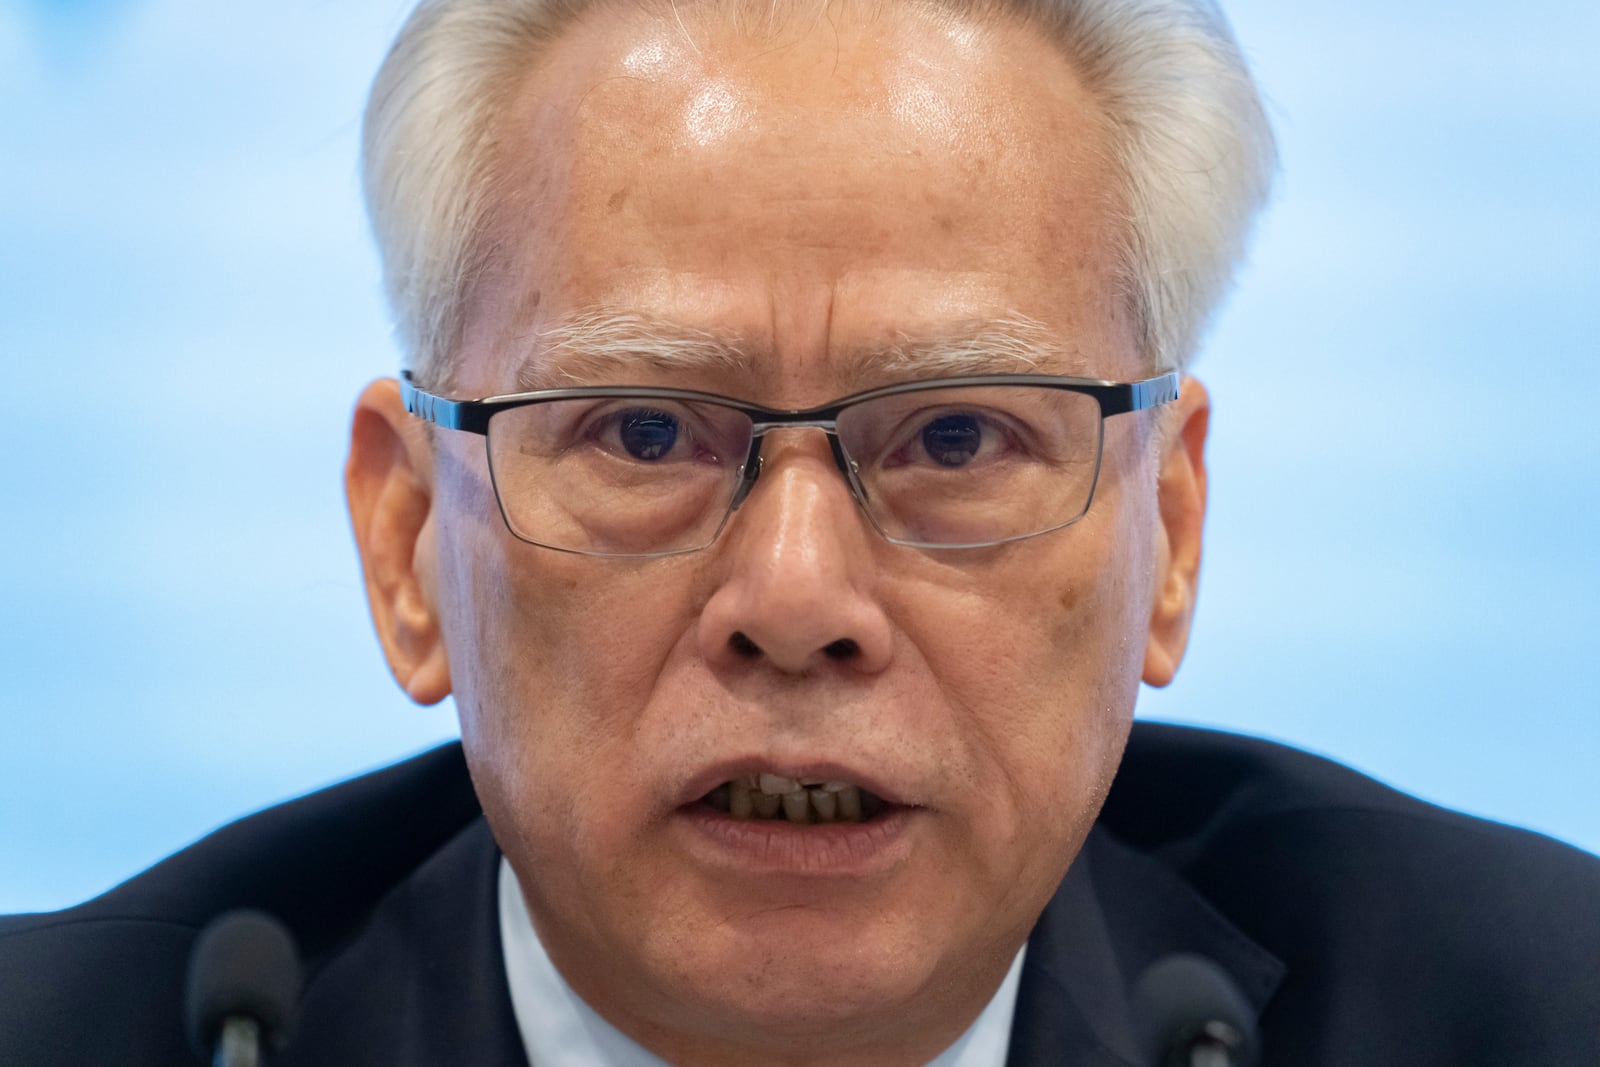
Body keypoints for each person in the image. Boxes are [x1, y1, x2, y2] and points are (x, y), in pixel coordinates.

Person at [2, 0, 1596, 1064]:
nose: (795, 597)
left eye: (959, 436)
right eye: (641, 432)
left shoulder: (1527, 1013)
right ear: (411, 541)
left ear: (1166, 534)